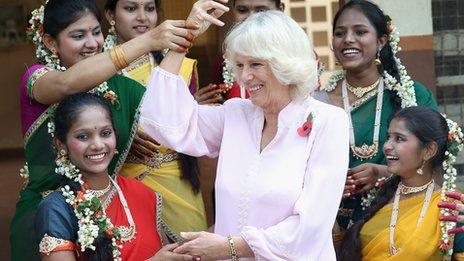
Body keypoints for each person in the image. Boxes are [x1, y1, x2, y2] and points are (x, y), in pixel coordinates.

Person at [140, 8, 350, 260]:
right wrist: (184, 41)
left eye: (256, 64)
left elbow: (312, 224)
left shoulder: (328, 122)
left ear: (286, 64)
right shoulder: (235, 114)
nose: (245, 76)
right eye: (239, 65)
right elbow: (162, 122)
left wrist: (230, 246)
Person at [11, 0, 206, 259]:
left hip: (110, 210)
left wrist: (186, 34)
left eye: (96, 32)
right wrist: (148, 40)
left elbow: (161, 102)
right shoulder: (38, 78)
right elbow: (67, 84)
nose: (92, 43)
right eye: (78, 35)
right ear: (50, 42)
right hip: (49, 214)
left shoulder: (119, 88)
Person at [313, 0, 439, 234]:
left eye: (360, 31)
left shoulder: (411, 96)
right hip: (329, 229)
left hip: (400, 224)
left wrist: (384, 172)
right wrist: (327, 184)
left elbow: (436, 157)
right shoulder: (317, 102)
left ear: (381, 40)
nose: (348, 39)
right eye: (340, 33)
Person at [36, 92, 194, 261]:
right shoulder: (57, 209)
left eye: (105, 133)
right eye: (83, 136)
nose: (97, 145)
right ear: (61, 145)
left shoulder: (141, 193)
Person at [103, 0, 208, 241]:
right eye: (131, 9)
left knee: (191, 250)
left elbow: (187, 126)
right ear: (111, 14)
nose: (142, 17)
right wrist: (123, 137)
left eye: (149, 9)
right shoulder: (98, 69)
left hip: (177, 180)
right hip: (125, 180)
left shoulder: (181, 65)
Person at [338, 106, 464, 261]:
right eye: (388, 137)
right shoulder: (376, 192)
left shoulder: (450, 206)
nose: (386, 146)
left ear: (429, 150)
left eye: (399, 139)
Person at [208, 0, 284, 101]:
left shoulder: (299, 55)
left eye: (261, 11)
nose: (251, 18)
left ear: (280, 9)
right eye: (242, 10)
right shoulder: (225, 60)